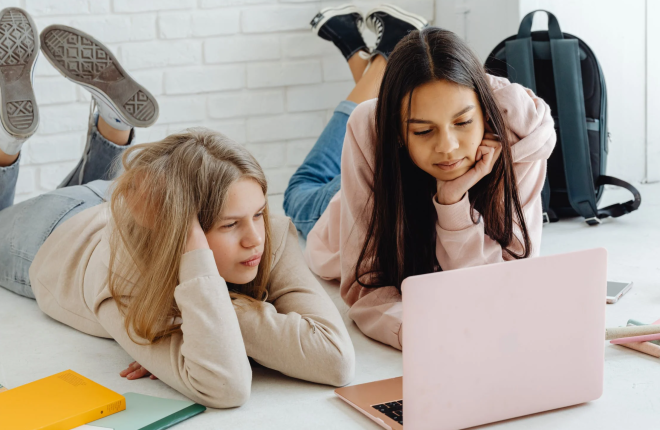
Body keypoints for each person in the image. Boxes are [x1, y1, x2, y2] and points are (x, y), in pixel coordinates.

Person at [0, 8, 354, 408]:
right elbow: (226, 387)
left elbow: (336, 362)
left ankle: (109, 124)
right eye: (230, 225)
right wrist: (204, 320)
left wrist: (205, 317)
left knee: (98, 186)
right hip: (54, 231)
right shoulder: (130, 276)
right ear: (185, 230)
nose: (256, 237)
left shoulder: (266, 233)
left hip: (120, 194)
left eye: (257, 213)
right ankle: (8, 144)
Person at [284, 5, 556, 350]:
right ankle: (382, 64)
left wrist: (453, 201)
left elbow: (500, 285)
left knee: (383, 111)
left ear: (485, 114)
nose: (448, 147)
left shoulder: (520, 138)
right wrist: (425, 335)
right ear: (400, 133)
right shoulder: (371, 130)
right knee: (297, 194)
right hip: (374, 183)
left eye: (463, 123)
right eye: (424, 130)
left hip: (405, 155)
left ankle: (381, 62)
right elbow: (366, 291)